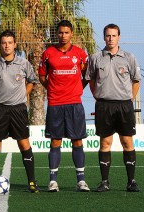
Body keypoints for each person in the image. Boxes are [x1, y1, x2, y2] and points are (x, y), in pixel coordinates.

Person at [0, 30, 39, 194]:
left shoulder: (23, 63)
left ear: (15, 45)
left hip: (18, 109)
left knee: (24, 143)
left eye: (10, 42)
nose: (7, 45)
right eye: (4, 42)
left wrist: (21, 95)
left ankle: (32, 182)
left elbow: (32, 81)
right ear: (0, 45)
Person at [85, 23, 141, 192]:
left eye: (114, 35)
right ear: (104, 37)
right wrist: (98, 96)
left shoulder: (129, 57)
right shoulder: (96, 58)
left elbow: (136, 81)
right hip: (104, 106)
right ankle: (105, 182)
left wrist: (129, 98)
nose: (110, 38)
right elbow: (91, 80)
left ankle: (131, 181)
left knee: (127, 142)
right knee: (105, 142)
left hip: (124, 106)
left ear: (119, 37)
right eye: (108, 35)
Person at [38, 20, 90, 192]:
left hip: (74, 102)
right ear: (56, 34)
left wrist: (76, 89)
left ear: (71, 34)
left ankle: (81, 181)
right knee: (55, 141)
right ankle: (53, 181)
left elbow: (86, 76)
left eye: (66, 32)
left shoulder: (80, 54)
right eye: (60, 32)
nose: (63, 35)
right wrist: (53, 89)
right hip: (55, 103)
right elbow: (43, 76)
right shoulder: (48, 54)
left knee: (77, 140)